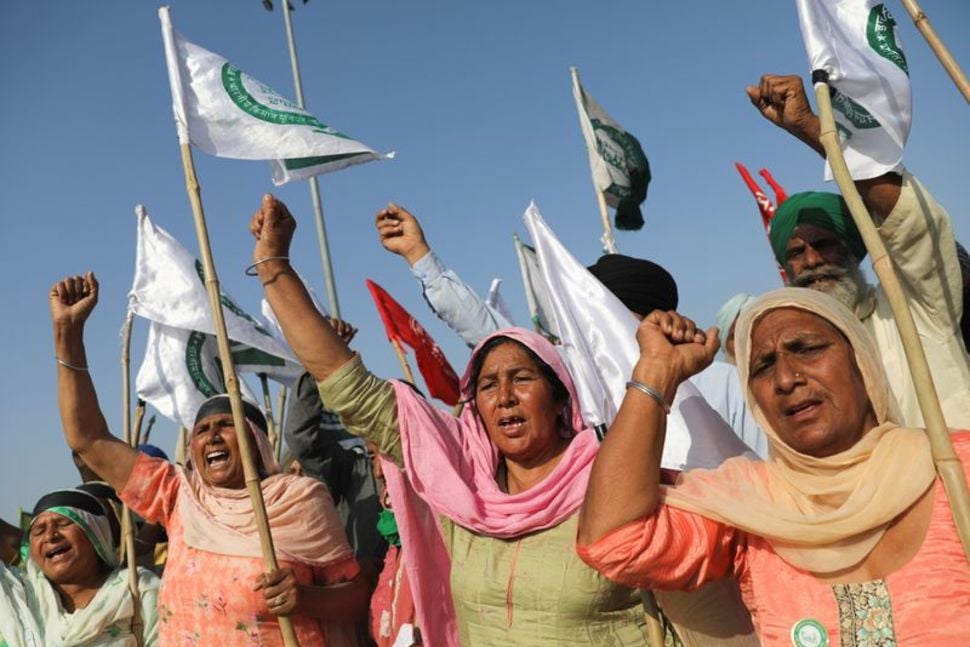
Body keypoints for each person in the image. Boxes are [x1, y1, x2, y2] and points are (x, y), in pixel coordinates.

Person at [252, 194, 666, 645]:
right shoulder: (461, 482)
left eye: (522, 378)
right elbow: (343, 379)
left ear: (560, 396)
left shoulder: (619, 479)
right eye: (487, 386)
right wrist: (274, 264)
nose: (504, 397)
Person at [577, 287, 970, 646]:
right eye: (763, 366)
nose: (785, 378)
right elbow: (612, 541)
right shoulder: (750, 507)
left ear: (861, 361)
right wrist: (655, 375)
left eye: (808, 348)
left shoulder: (954, 467)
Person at [50, 272, 368, 646]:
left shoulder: (299, 500)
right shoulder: (179, 496)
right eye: (202, 430)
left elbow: (357, 595)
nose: (211, 436)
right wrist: (68, 335)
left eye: (225, 425)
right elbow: (88, 438)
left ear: (257, 443)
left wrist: (307, 598)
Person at [747, 73, 970, 429]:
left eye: (824, 245)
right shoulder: (789, 363)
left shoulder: (913, 307)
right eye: (797, 253)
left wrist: (810, 127)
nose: (812, 262)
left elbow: (914, 224)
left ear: (853, 249)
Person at [0, 487, 160, 646]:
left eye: (63, 523)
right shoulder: (18, 593)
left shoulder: (137, 588)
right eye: (39, 531)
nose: (49, 536)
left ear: (95, 532)